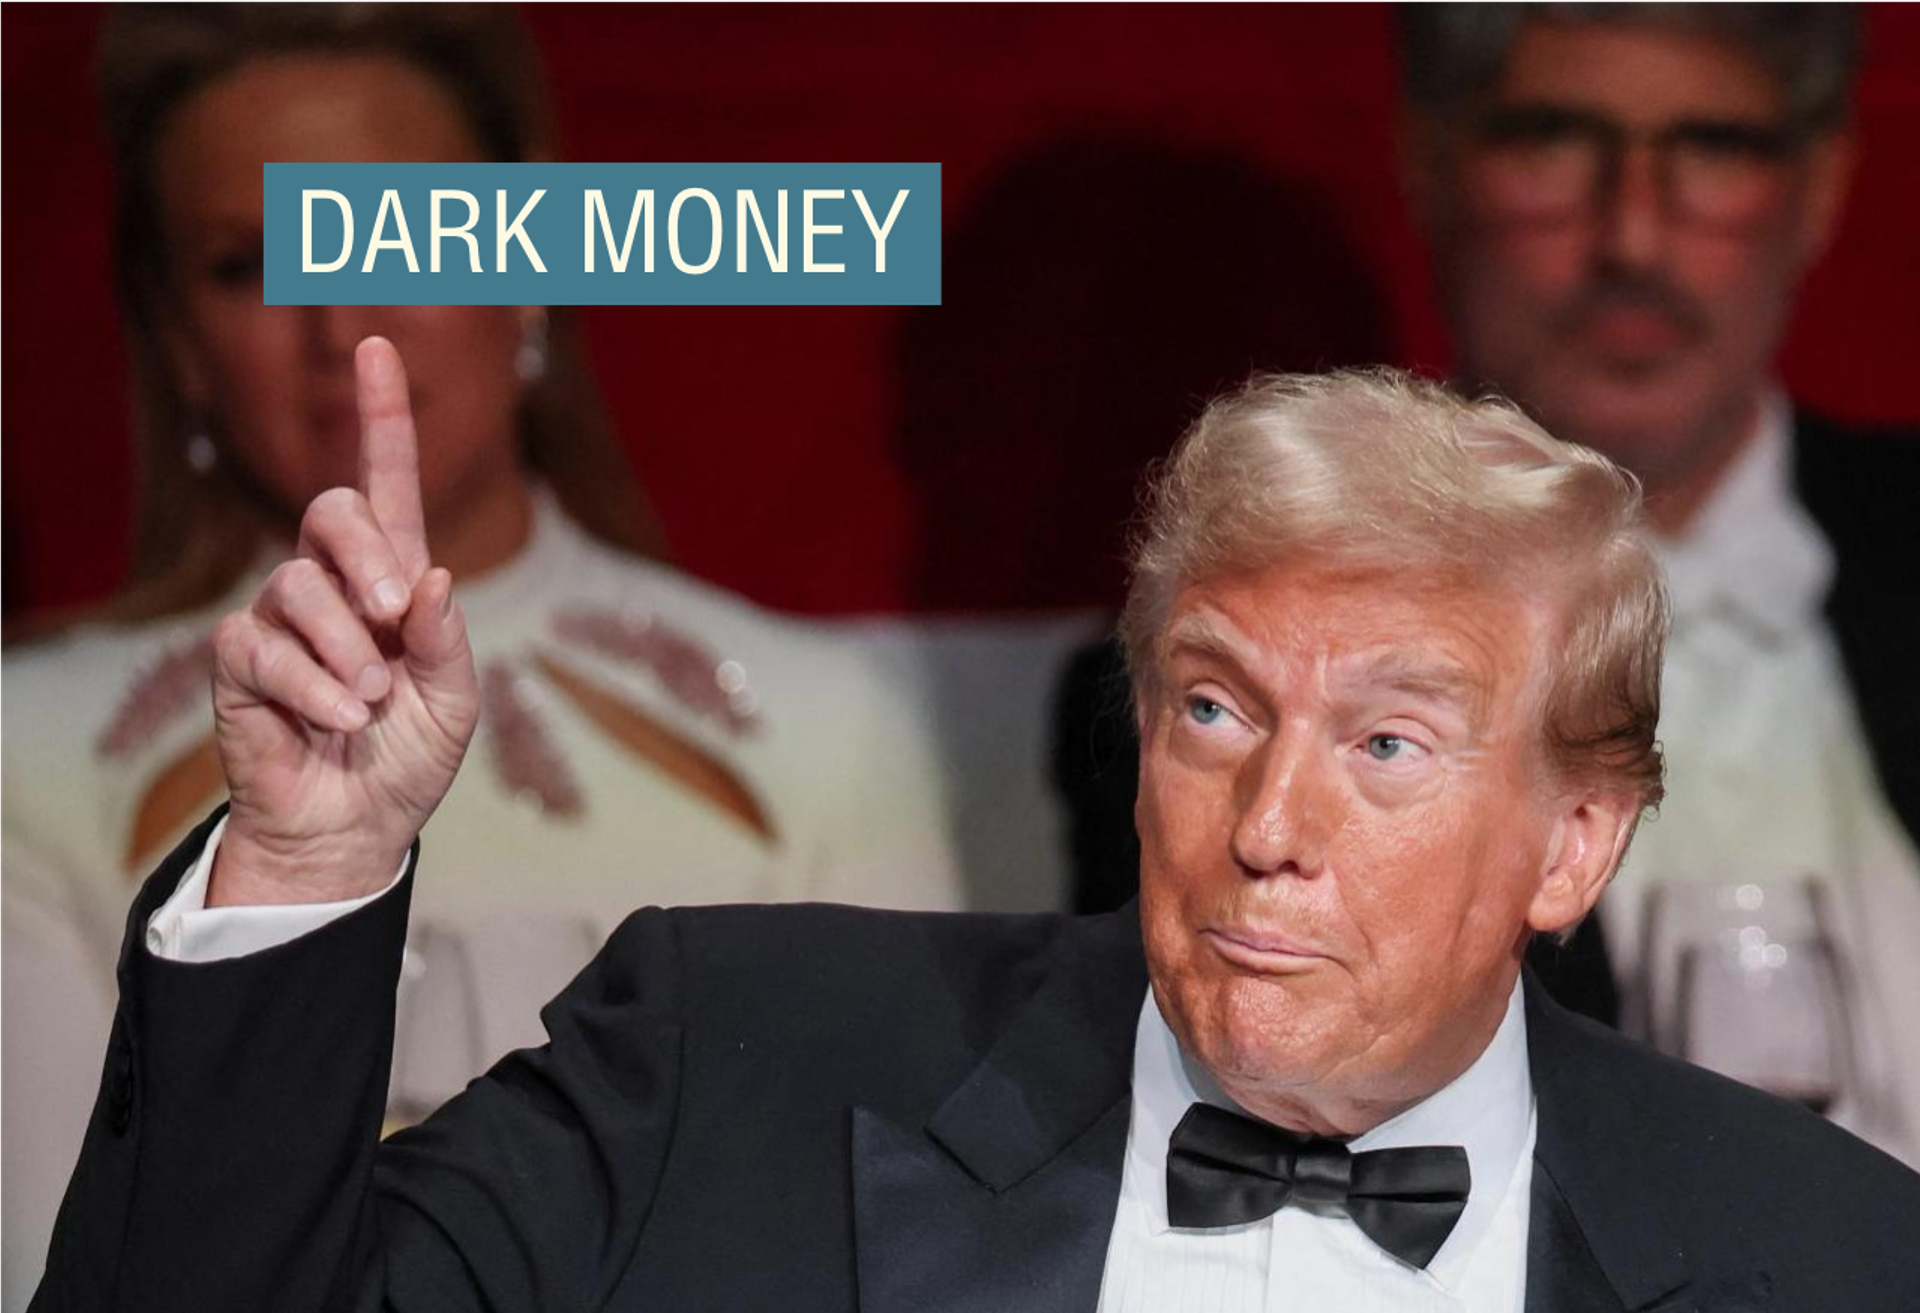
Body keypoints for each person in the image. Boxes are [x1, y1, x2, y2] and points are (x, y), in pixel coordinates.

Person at [31, 359, 1920, 1311]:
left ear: (1574, 842)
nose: (1269, 825)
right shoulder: (725, 1056)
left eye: (1390, 742)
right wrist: (302, 868)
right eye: (1214, 708)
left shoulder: (1831, 1255)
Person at [0, 8, 1089, 1307]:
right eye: (249, 263)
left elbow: (916, 1238)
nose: (337, 317)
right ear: (172, 335)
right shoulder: (24, 755)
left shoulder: (823, 726)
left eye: (405, 233)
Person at [1063, 1, 1920, 1162]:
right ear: (1432, 165)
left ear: (1819, 187)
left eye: (1713, 151)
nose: (1632, 238)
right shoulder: (1215, 680)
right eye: (1554, 144)